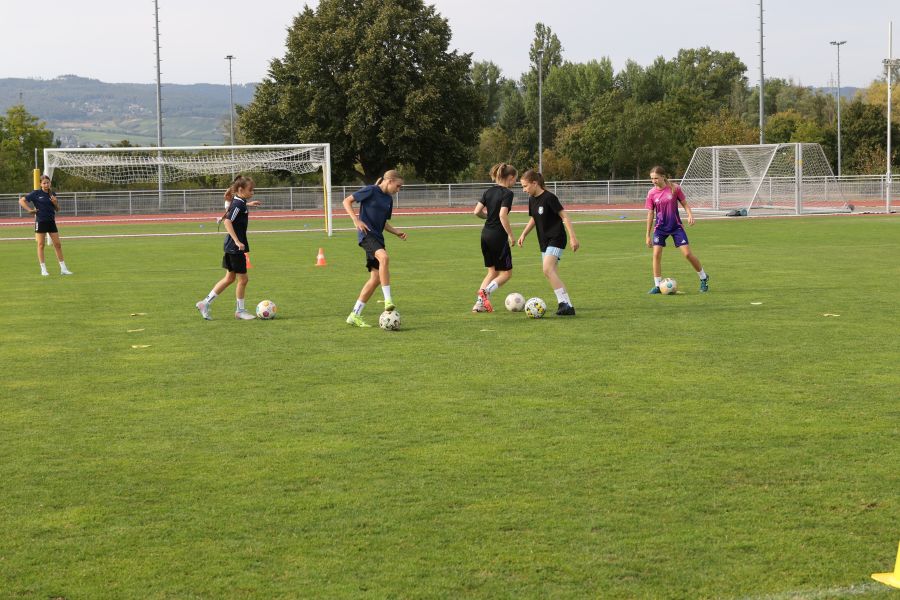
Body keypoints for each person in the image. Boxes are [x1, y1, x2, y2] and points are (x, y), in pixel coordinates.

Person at [342, 170, 407, 327]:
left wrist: (396, 232)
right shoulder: (371, 190)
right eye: (398, 186)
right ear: (389, 181)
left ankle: (354, 314)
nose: (398, 190)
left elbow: (383, 222)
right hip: (366, 235)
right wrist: (355, 220)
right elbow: (346, 201)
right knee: (384, 258)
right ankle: (388, 300)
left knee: (376, 278)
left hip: (378, 238)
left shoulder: (388, 200)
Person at [195, 175, 262, 320]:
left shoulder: (239, 202)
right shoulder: (238, 204)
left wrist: (249, 205)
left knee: (230, 278)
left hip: (229, 247)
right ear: (240, 189)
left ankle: (205, 303)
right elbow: (227, 222)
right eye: (250, 190)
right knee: (243, 280)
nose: (252, 192)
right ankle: (240, 311)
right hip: (234, 247)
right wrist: (237, 241)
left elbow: (233, 207)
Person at [516, 170, 579, 316]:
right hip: (544, 240)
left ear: (535, 183)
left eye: (525, 186)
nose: (524, 190)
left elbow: (564, 216)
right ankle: (566, 304)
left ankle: (565, 305)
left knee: (547, 269)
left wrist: (573, 237)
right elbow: (534, 218)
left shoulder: (550, 198)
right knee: (552, 272)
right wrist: (524, 234)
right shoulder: (532, 199)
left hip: (556, 238)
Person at [644, 165, 709, 294]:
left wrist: (690, 215)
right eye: (652, 179)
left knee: (687, 254)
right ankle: (657, 285)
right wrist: (647, 235)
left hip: (676, 227)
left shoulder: (675, 188)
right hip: (660, 228)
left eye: (656, 178)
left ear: (663, 176)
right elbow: (650, 214)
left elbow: (685, 204)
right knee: (656, 255)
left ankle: (703, 277)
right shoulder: (651, 193)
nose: (654, 181)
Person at [472, 163, 517, 312]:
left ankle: (478, 305)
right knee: (507, 273)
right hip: (498, 236)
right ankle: (486, 292)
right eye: (515, 179)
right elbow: (502, 215)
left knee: (492, 272)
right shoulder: (507, 194)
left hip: (485, 234)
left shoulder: (488, 191)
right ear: (510, 178)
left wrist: (488, 217)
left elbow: (476, 211)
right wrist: (511, 235)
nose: (515, 183)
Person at [18, 175, 73, 276]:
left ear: (50, 183)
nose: (46, 184)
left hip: (51, 222)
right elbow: (21, 200)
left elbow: (57, 209)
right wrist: (30, 210)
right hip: (41, 222)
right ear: (40, 184)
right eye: (44, 183)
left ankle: (63, 269)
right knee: (41, 245)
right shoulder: (36, 193)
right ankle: (43, 269)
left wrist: (55, 203)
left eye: (47, 182)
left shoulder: (52, 194)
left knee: (57, 244)